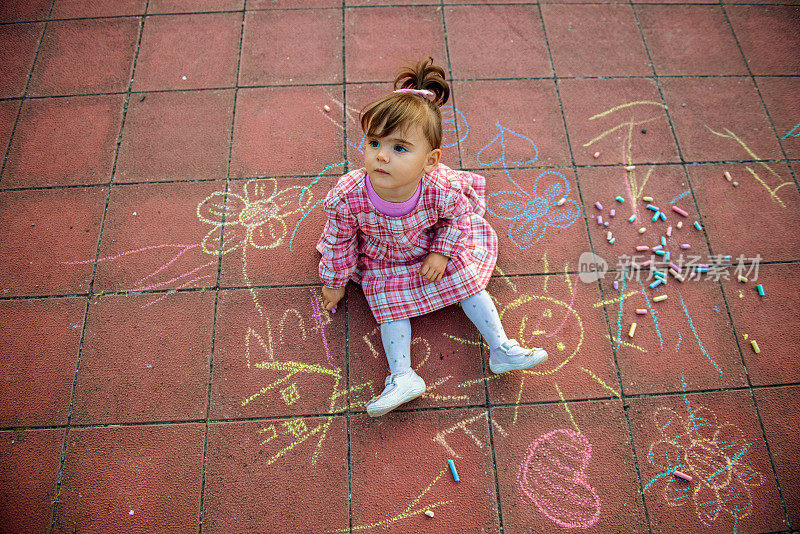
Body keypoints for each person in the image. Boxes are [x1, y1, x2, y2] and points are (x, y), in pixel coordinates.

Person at [317, 57, 547, 417]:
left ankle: (500, 348)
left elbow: (458, 218)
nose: (381, 156)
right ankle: (402, 375)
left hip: (428, 246)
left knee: (469, 281)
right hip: (383, 259)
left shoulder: (440, 188)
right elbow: (338, 240)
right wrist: (334, 281)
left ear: (430, 160)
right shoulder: (349, 194)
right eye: (374, 142)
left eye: (399, 148)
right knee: (387, 304)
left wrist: (441, 253)